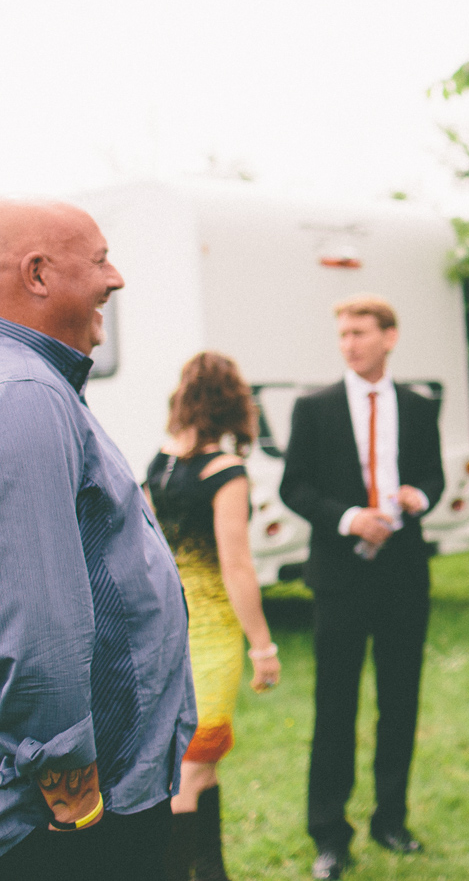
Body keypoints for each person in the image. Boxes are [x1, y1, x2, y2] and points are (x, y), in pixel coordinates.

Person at [0, 199, 196, 880]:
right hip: (84, 803)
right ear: (38, 273)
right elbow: (39, 606)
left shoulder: (36, 380)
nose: (116, 279)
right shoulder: (24, 390)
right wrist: (66, 770)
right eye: (100, 260)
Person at [279, 294, 444, 880]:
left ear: (389, 337)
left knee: (399, 704)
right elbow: (292, 488)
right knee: (335, 707)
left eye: (360, 332)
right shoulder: (314, 408)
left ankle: (391, 819)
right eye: (343, 333)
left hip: (403, 576)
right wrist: (350, 517)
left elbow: (433, 475)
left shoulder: (419, 406)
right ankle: (329, 834)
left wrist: (417, 498)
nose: (349, 342)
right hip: (340, 579)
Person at [145, 351, 282, 880]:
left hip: (163, 626)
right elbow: (237, 566)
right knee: (193, 767)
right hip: (211, 635)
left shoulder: (161, 462)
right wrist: (263, 645)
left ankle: (214, 872)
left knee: (203, 760)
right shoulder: (225, 472)